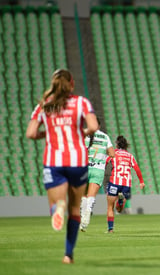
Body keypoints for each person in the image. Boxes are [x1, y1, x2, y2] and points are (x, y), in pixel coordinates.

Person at [26, 69, 98, 264]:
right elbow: (93, 127)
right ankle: (68, 255)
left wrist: (46, 134)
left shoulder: (44, 105)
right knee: (75, 210)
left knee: (58, 204)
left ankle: (57, 208)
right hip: (78, 161)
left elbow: (31, 133)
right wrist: (80, 131)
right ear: (71, 84)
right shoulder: (82, 103)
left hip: (53, 162)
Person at [80, 118, 115, 232]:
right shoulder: (104, 137)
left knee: (83, 195)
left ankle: (82, 220)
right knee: (91, 196)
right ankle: (88, 211)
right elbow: (112, 154)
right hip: (98, 169)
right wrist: (104, 159)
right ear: (99, 126)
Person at [106, 135, 145, 233]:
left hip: (115, 181)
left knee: (110, 206)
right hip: (126, 184)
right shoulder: (130, 156)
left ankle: (110, 229)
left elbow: (105, 163)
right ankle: (120, 201)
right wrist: (141, 182)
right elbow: (137, 169)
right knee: (119, 209)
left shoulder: (113, 153)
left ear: (117, 144)